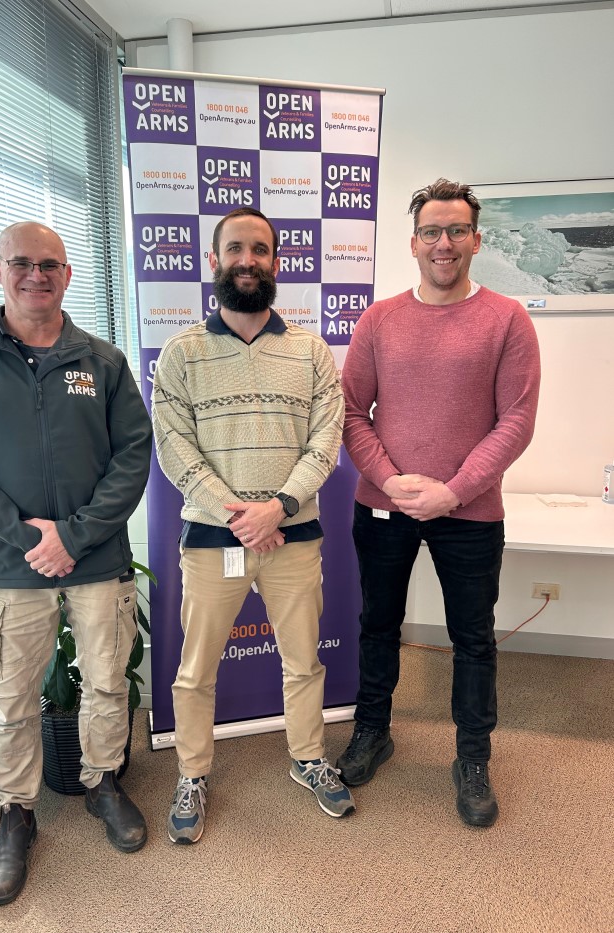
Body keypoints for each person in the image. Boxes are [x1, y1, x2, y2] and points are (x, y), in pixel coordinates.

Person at [0, 222, 153, 904]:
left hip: (96, 556)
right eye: (21, 263)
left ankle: (102, 782)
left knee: (107, 680)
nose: (36, 275)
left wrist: (74, 536)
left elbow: (132, 456)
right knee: (11, 699)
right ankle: (15, 813)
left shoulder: (103, 361)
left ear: (67, 274)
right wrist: (29, 536)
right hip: (10, 562)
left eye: (50, 264)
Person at [337, 179, 540, 827]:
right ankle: (373, 731)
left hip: (470, 511)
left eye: (456, 230)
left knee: (473, 639)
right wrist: (389, 479)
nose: (443, 243)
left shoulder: (507, 319)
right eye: (431, 231)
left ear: (476, 240)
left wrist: (453, 490)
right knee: (378, 624)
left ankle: (473, 757)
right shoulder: (379, 319)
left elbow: (516, 420)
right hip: (384, 504)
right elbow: (350, 411)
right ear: (414, 242)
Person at [151, 207, 354, 844]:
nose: (247, 260)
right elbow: (174, 448)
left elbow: (327, 441)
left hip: (292, 536)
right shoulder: (181, 353)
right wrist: (242, 516)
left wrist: (277, 508)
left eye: (260, 250)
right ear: (214, 261)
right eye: (235, 248)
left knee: (304, 662)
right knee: (195, 670)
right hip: (215, 540)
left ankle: (308, 756)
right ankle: (192, 772)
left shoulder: (312, 351)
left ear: (275, 262)